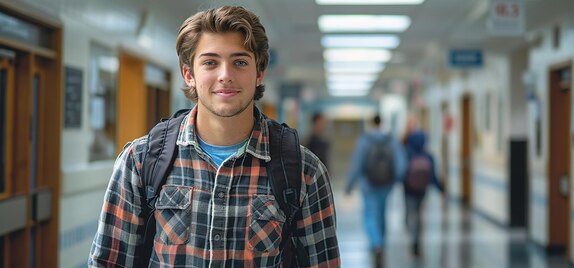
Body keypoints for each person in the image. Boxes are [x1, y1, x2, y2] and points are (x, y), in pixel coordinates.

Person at [88, 6, 340, 267]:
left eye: (240, 62)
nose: (225, 76)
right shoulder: (140, 162)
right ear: (189, 74)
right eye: (210, 62)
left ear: (259, 74)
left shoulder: (304, 172)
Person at [345, 115, 406, 268]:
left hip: (368, 185)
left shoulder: (365, 140)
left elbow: (356, 164)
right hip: (386, 185)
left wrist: (349, 185)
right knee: (382, 215)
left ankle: (376, 244)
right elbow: (401, 164)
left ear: (371, 123)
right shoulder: (391, 140)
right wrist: (396, 180)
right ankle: (381, 244)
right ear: (382, 122)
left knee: (370, 216)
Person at [403, 130, 444, 258]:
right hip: (422, 191)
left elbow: (401, 172)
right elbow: (433, 176)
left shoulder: (407, 154)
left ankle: (412, 236)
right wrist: (441, 189)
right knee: (419, 214)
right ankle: (417, 239)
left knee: (410, 214)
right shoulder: (428, 156)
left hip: (409, 190)